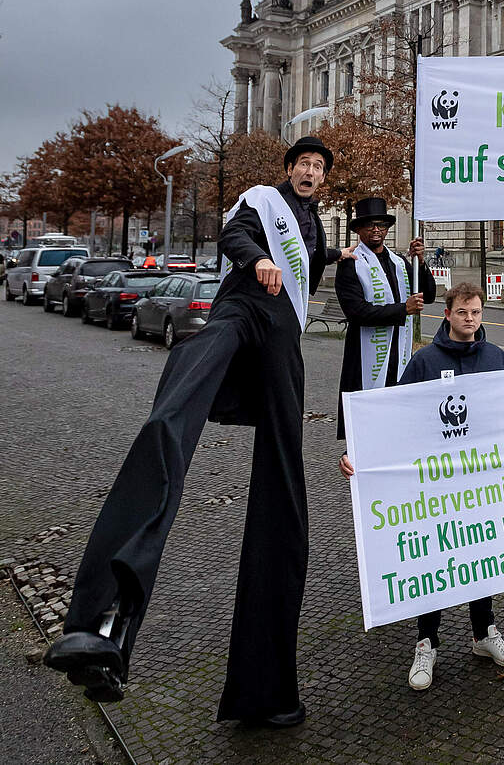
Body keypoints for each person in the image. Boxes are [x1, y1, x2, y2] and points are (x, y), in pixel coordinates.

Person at [45, 135, 353, 728]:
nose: (311, 171)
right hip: (239, 314)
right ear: (290, 168)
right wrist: (257, 259)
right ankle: (102, 623)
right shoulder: (262, 200)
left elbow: (310, 272)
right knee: (171, 419)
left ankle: (266, 692)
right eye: (304, 163)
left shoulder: (315, 227)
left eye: (319, 166)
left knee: (286, 500)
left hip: (282, 345)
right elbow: (235, 235)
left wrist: (345, 255)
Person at [339, 283, 504, 691]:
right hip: (437, 486)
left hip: (481, 483)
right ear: (447, 314)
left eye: (475, 312)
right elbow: (393, 415)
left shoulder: (495, 357)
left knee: (482, 555)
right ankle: (426, 642)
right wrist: (358, 455)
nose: (470, 319)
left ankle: (483, 633)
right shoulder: (425, 361)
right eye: (462, 312)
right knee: (436, 561)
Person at [334, 196, 436, 440]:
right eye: (369, 225)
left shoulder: (399, 262)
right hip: (365, 356)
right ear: (359, 229)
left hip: (398, 353)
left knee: (396, 419)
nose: (376, 230)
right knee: (365, 423)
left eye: (381, 224)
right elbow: (357, 312)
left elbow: (429, 295)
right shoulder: (350, 264)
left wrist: (420, 263)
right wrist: (402, 309)